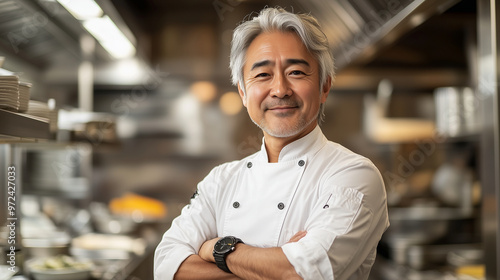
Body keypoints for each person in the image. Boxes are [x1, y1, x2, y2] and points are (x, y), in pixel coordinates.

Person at [154, 7, 389, 280]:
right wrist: (274, 262)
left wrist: (217, 248)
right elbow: (166, 266)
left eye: (297, 72)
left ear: (324, 86)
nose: (280, 90)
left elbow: (303, 273)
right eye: (263, 75)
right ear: (243, 92)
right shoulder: (221, 181)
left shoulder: (354, 175)